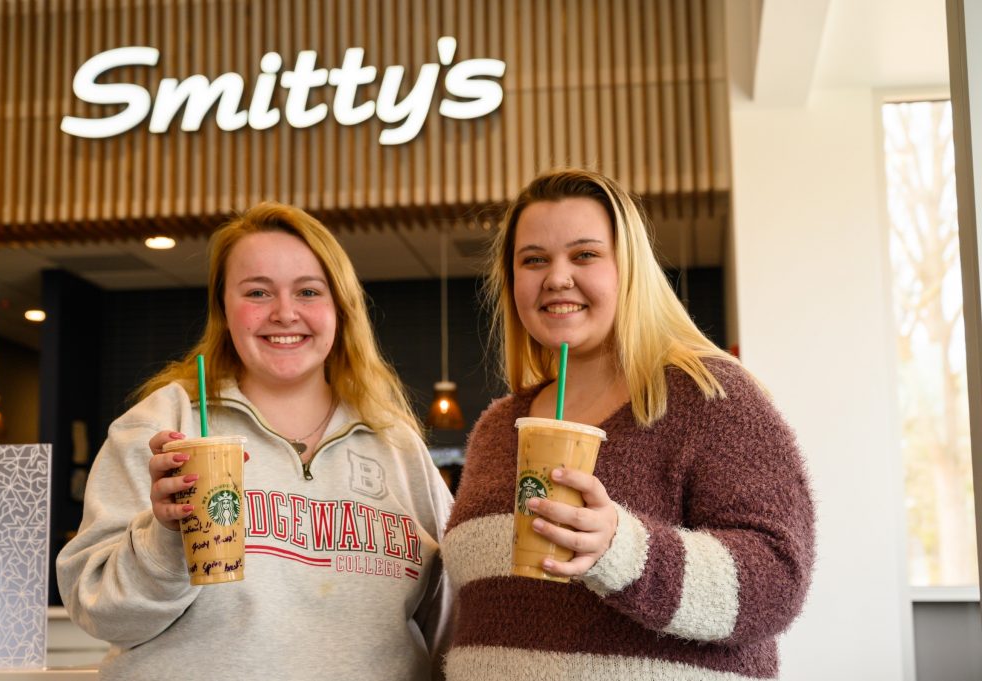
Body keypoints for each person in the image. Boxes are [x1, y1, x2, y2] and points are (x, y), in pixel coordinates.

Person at [441, 169, 815, 680]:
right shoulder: (497, 428)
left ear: (628, 269)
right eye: (534, 260)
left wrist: (621, 549)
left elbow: (777, 579)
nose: (556, 277)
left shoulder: (710, 397)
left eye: (585, 254)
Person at [57, 202, 452, 680]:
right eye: (258, 292)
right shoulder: (166, 422)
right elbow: (102, 613)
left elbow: (450, 621)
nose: (284, 313)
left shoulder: (398, 446)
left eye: (308, 291)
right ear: (224, 308)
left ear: (340, 308)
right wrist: (165, 539)